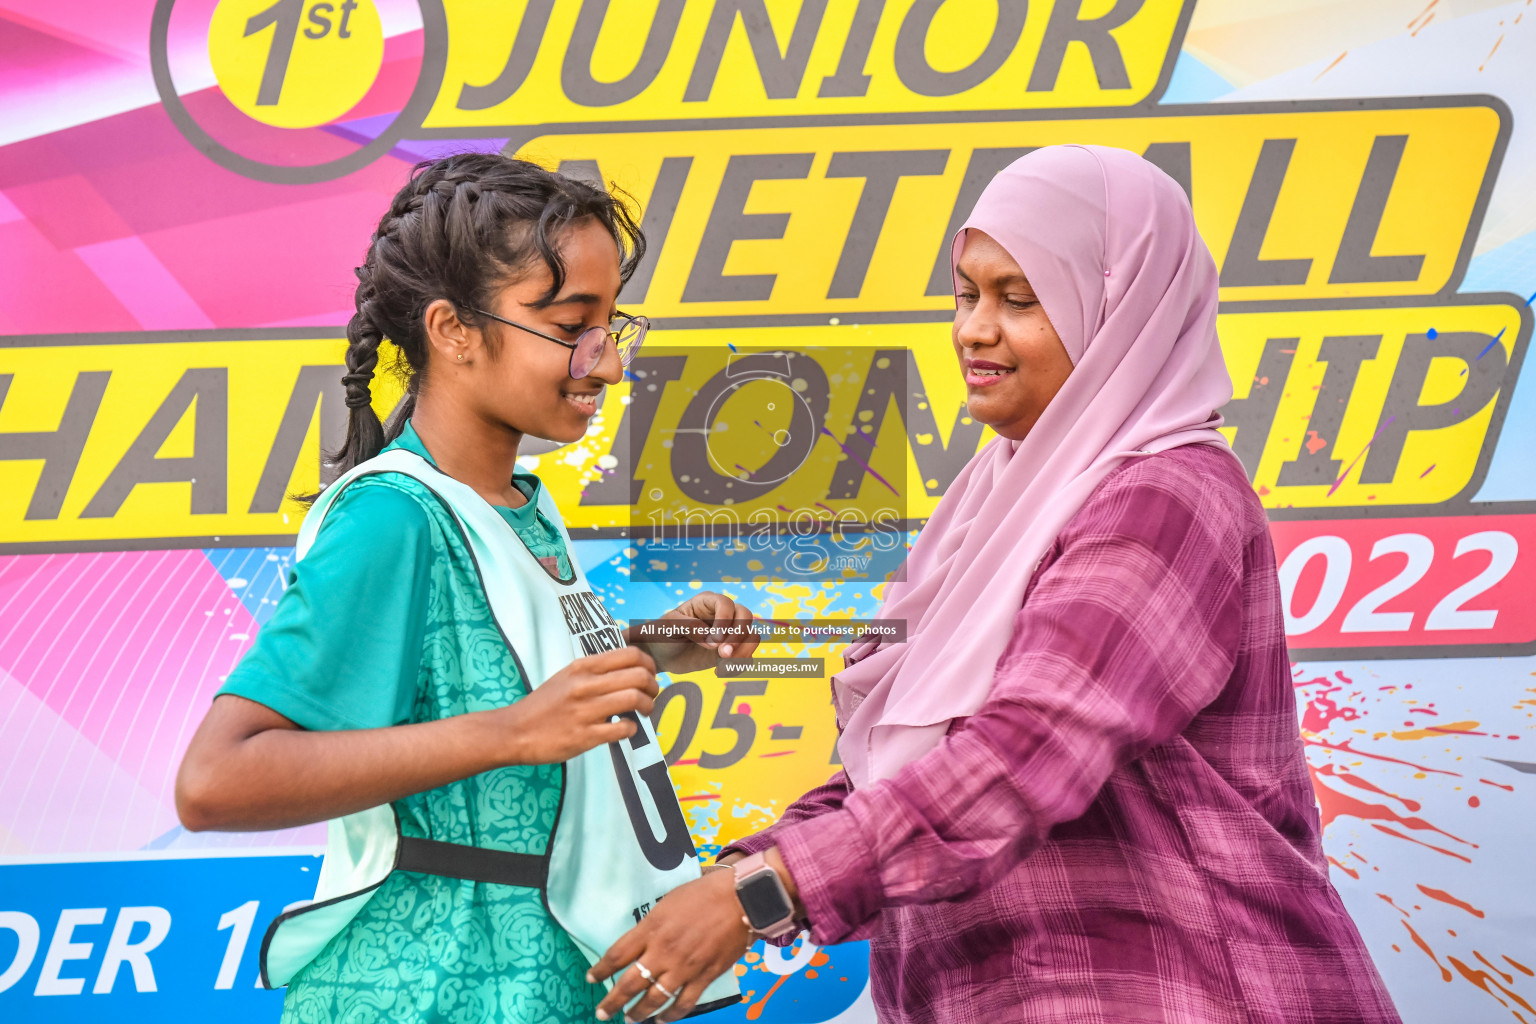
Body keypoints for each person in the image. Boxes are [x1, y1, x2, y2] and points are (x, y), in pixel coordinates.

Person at [585, 145, 1403, 1024]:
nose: (975, 328)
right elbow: (901, 774)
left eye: (1020, 299)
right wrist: (733, 882)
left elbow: (1028, 752)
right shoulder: (989, 510)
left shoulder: (1164, 494)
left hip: (1181, 989)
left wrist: (761, 893)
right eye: (967, 294)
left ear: (1120, 309)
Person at [175, 153, 753, 1024]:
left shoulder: (518, 505)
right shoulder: (391, 519)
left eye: (613, 326)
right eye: (569, 325)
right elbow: (217, 781)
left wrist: (640, 651)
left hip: (535, 986)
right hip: (433, 988)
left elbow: (488, 674)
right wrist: (516, 731)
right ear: (451, 330)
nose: (606, 363)